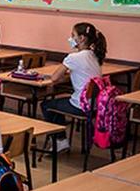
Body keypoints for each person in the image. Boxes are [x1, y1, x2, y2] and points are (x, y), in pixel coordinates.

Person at [40, 22, 106, 152]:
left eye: (73, 35)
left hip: (80, 105)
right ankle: (61, 139)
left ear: (81, 39)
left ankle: (60, 141)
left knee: (47, 105)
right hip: (95, 105)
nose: (70, 38)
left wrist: (49, 77)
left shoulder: (73, 57)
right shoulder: (94, 55)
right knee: (58, 101)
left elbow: (54, 78)